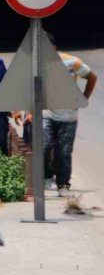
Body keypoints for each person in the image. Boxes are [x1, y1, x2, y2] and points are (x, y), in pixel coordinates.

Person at [41, 32, 97, 196]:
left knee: (64, 152)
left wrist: (84, 98)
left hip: (68, 116)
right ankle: (46, 177)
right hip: (48, 114)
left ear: (55, 48)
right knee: (45, 146)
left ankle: (63, 185)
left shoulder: (72, 62)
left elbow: (92, 76)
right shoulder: (38, 65)